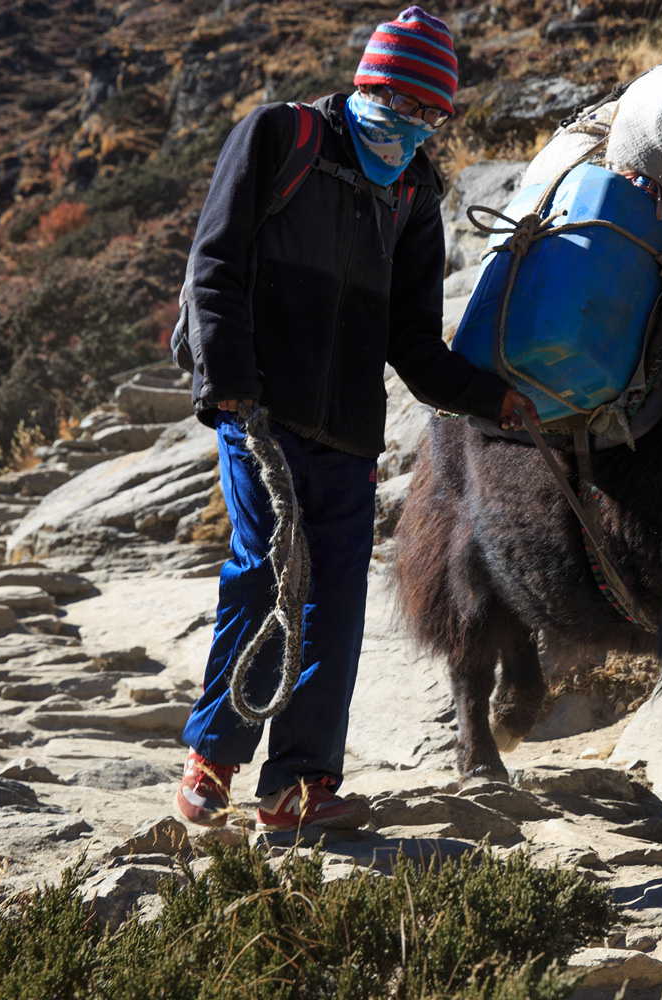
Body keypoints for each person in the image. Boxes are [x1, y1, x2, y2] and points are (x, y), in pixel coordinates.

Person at [172, 5, 536, 831]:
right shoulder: (279, 137)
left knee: (334, 599)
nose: (407, 127)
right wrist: (228, 382)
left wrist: (491, 396)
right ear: (366, 84)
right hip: (255, 407)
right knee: (267, 567)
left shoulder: (413, 192)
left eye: (427, 116)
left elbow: (411, 339)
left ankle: (299, 785)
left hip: (346, 429)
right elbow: (215, 262)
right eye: (398, 106)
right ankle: (214, 756)